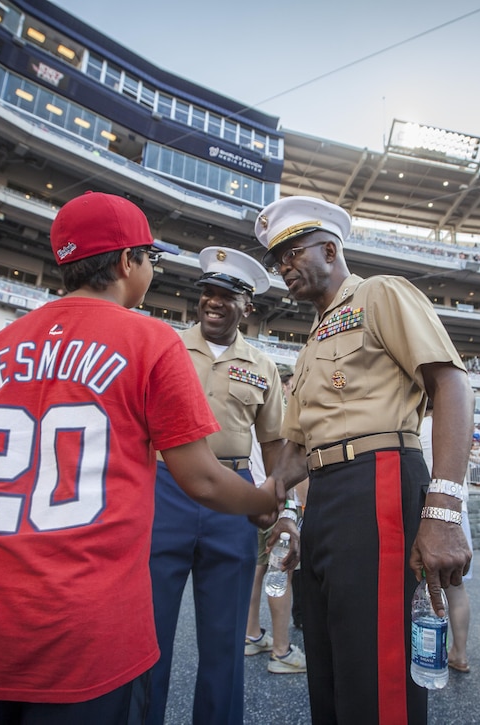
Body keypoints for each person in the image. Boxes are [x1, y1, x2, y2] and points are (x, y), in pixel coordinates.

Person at [0, 192, 278, 723]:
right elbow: (203, 480)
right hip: (85, 622)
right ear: (128, 262)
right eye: (151, 257)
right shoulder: (150, 339)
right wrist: (263, 500)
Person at [254, 195, 474, 725]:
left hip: (379, 481)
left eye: (291, 253)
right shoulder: (309, 344)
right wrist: (283, 512)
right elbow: (295, 455)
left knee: (378, 669)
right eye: (276, 259)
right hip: (328, 497)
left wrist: (443, 511)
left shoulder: (379, 294)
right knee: (330, 666)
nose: (283, 266)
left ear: (329, 249)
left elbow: (451, 385)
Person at [139, 247, 290, 724]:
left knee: (226, 637)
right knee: (148, 634)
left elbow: (274, 445)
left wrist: (279, 505)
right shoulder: (163, 346)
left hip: (233, 491)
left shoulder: (263, 366)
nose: (214, 302)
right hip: (165, 487)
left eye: (227, 295)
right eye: (208, 292)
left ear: (248, 306)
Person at [244, 363, 307, 675]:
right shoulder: (280, 410)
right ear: (283, 384)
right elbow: (286, 463)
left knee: (256, 570)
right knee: (280, 571)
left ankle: (252, 634)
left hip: (249, 494)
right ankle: (281, 651)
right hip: (274, 499)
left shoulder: (252, 405)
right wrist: (291, 509)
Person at [420, 408, 473, 674]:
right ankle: (460, 653)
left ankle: (429, 654)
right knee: (457, 588)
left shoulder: (420, 427)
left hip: (429, 512)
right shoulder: (457, 424)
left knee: (426, 589)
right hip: (458, 509)